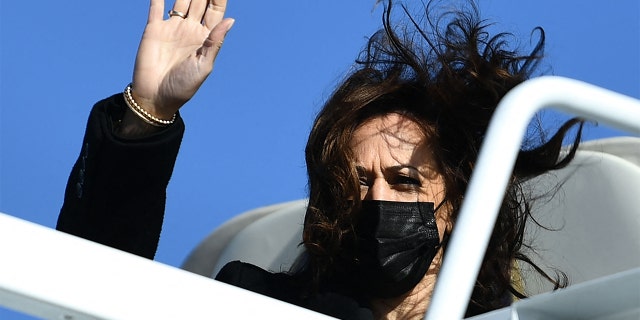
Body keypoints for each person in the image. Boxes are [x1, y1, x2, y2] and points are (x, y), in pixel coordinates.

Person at [56, 0, 583, 319]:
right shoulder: (254, 306)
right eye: (355, 181)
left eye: (403, 181)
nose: (376, 199)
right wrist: (148, 111)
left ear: (459, 201)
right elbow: (94, 289)